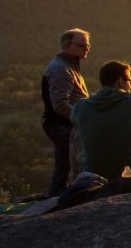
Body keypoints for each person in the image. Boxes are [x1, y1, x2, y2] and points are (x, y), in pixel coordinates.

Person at [70, 61, 131, 181]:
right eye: (129, 81)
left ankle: (76, 179)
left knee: (76, 130)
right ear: (120, 81)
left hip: (93, 174)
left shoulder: (80, 106)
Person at [41, 28, 91, 197]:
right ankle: (57, 202)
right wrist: (80, 120)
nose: (87, 49)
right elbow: (60, 104)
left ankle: (57, 199)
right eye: (82, 45)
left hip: (64, 124)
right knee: (67, 166)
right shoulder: (61, 69)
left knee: (66, 166)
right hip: (63, 125)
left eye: (88, 45)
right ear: (67, 46)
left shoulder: (69, 65)